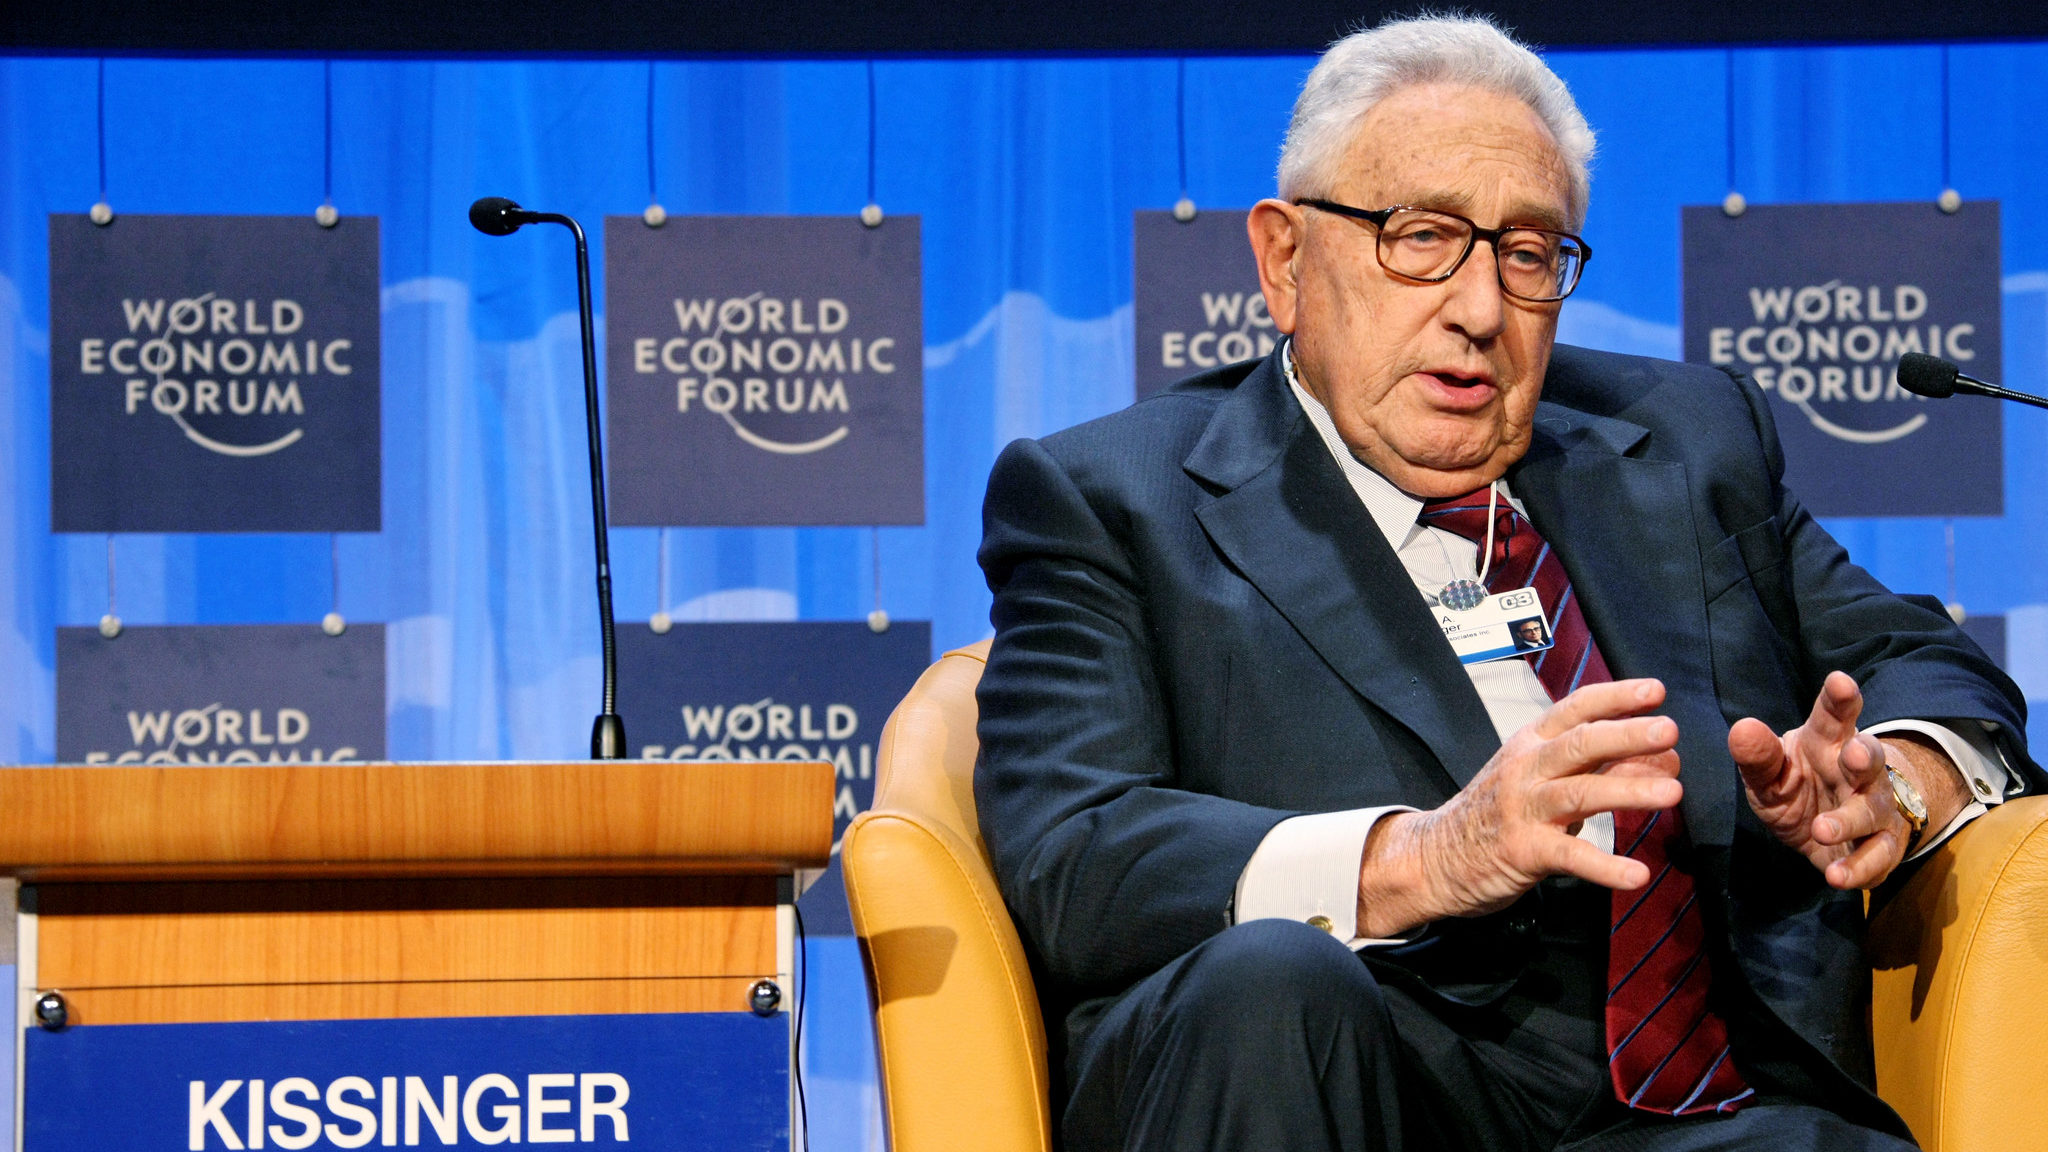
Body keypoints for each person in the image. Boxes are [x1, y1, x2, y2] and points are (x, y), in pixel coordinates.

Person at [973, 15, 2036, 1152]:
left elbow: (1913, 657)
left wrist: (1896, 783)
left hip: (1717, 1113)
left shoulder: (1682, 440)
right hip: (1365, 1081)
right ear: (1284, 261)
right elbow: (1072, 851)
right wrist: (1421, 856)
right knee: (1269, 982)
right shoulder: (1114, 500)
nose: (1480, 309)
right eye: (1421, 236)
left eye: (1527, 254)